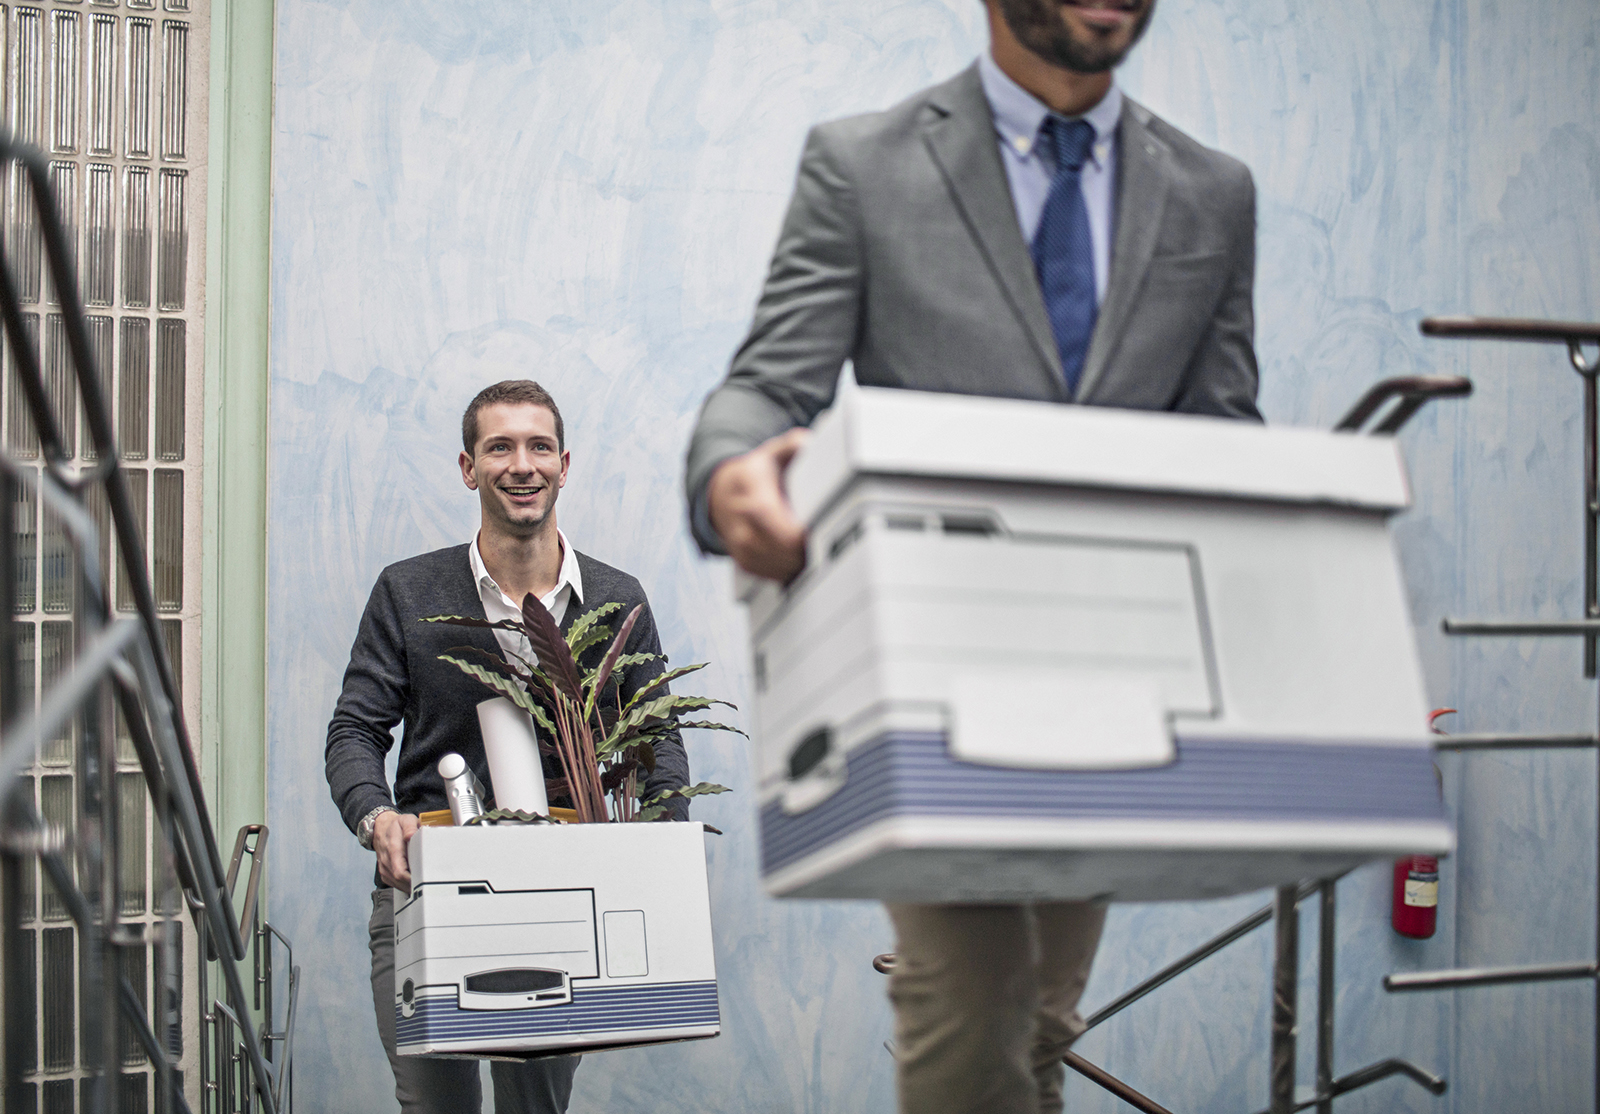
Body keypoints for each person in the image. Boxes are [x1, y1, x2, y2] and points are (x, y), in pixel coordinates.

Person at [684, 2, 1261, 1112]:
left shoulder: (1213, 191)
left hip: (1115, 676)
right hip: (929, 677)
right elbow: (767, 382)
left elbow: (1222, 424)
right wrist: (730, 470)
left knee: (1040, 1014)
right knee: (970, 996)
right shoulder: (863, 165)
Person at [326, 379, 690, 1114]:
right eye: (500, 446)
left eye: (538, 446)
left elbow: (661, 745)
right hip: (424, 891)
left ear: (564, 464)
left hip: (562, 898)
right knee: (436, 1107)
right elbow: (355, 731)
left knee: (535, 1108)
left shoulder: (621, 600)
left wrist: (653, 852)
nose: (521, 464)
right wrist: (377, 818)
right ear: (469, 467)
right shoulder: (407, 590)